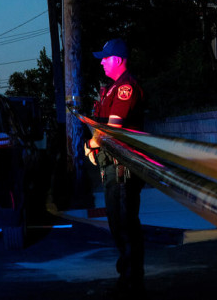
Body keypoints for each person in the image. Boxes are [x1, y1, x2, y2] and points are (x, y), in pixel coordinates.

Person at [84, 38, 146, 298]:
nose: (101, 61)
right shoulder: (111, 89)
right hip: (112, 167)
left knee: (124, 224)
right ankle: (127, 278)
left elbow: (112, 128)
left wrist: (91, 143)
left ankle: (132, 283)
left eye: (105, 57)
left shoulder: (125, 88)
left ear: (118, 60)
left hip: (123, 169)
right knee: (117, 223)